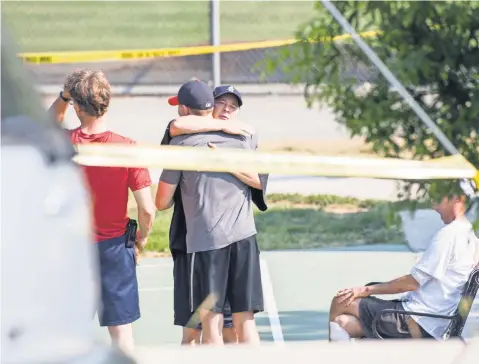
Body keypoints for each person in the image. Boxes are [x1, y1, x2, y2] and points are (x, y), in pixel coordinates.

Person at [48, 69, 156, 354]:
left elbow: (47, 123)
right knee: (121, 333)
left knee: (71, 332)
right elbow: (147, 208)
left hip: (73, 247)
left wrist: (63, 97)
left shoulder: (65, 144)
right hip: (114, 248)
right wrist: (142, 237)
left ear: (78, 106)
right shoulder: (127, 147)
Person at [156, 80, 264, 345]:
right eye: (221, 104)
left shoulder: (180, 144)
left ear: (183, 108)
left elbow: (161, 202)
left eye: (232, 106)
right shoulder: (245, 138)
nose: (227, 110)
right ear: (210, 107)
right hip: (244, 239)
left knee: (210, 325)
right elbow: (177, 125)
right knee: (245, 323)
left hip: (205, 243)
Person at [329, 193, 479, 341]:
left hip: (416, 320)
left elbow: (411, 283)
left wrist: (366, 290)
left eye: (438, 198)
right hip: (432, 324)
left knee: (342, 299)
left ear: (458, 198)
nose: (434, 206)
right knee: (343, 322)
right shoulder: (469, 234)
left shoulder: (449, 235)